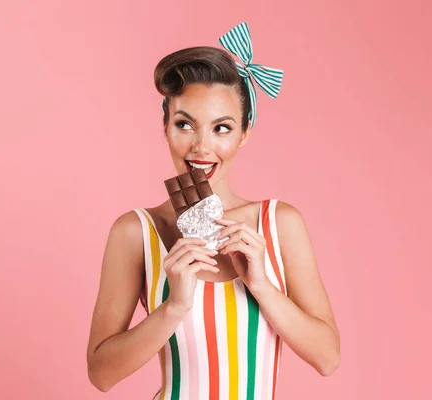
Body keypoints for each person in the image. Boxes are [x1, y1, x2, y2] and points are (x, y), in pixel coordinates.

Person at [87, 22, 340, 399]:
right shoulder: (136, 231)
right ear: (165, 127)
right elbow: (101, 374)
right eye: (185, 124)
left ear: (245, 132)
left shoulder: (279, 223)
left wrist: (262, 286)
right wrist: (175, 306)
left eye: (222, 128)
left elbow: (327, 358)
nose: (201, 147)